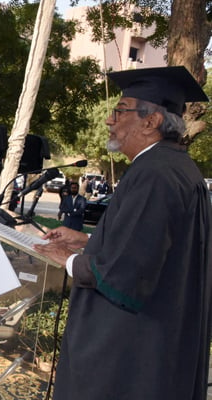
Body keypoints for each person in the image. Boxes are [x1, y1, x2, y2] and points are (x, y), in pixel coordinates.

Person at [34, 66, 211, 400]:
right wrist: (88, 240)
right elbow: (155, 243)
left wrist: (70, 260)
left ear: (151, 121)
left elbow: (128, 272)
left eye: (120, 110)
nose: (109, 120)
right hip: (158, 332)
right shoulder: (169, 165)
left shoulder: (155, 174)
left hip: (130, 347)